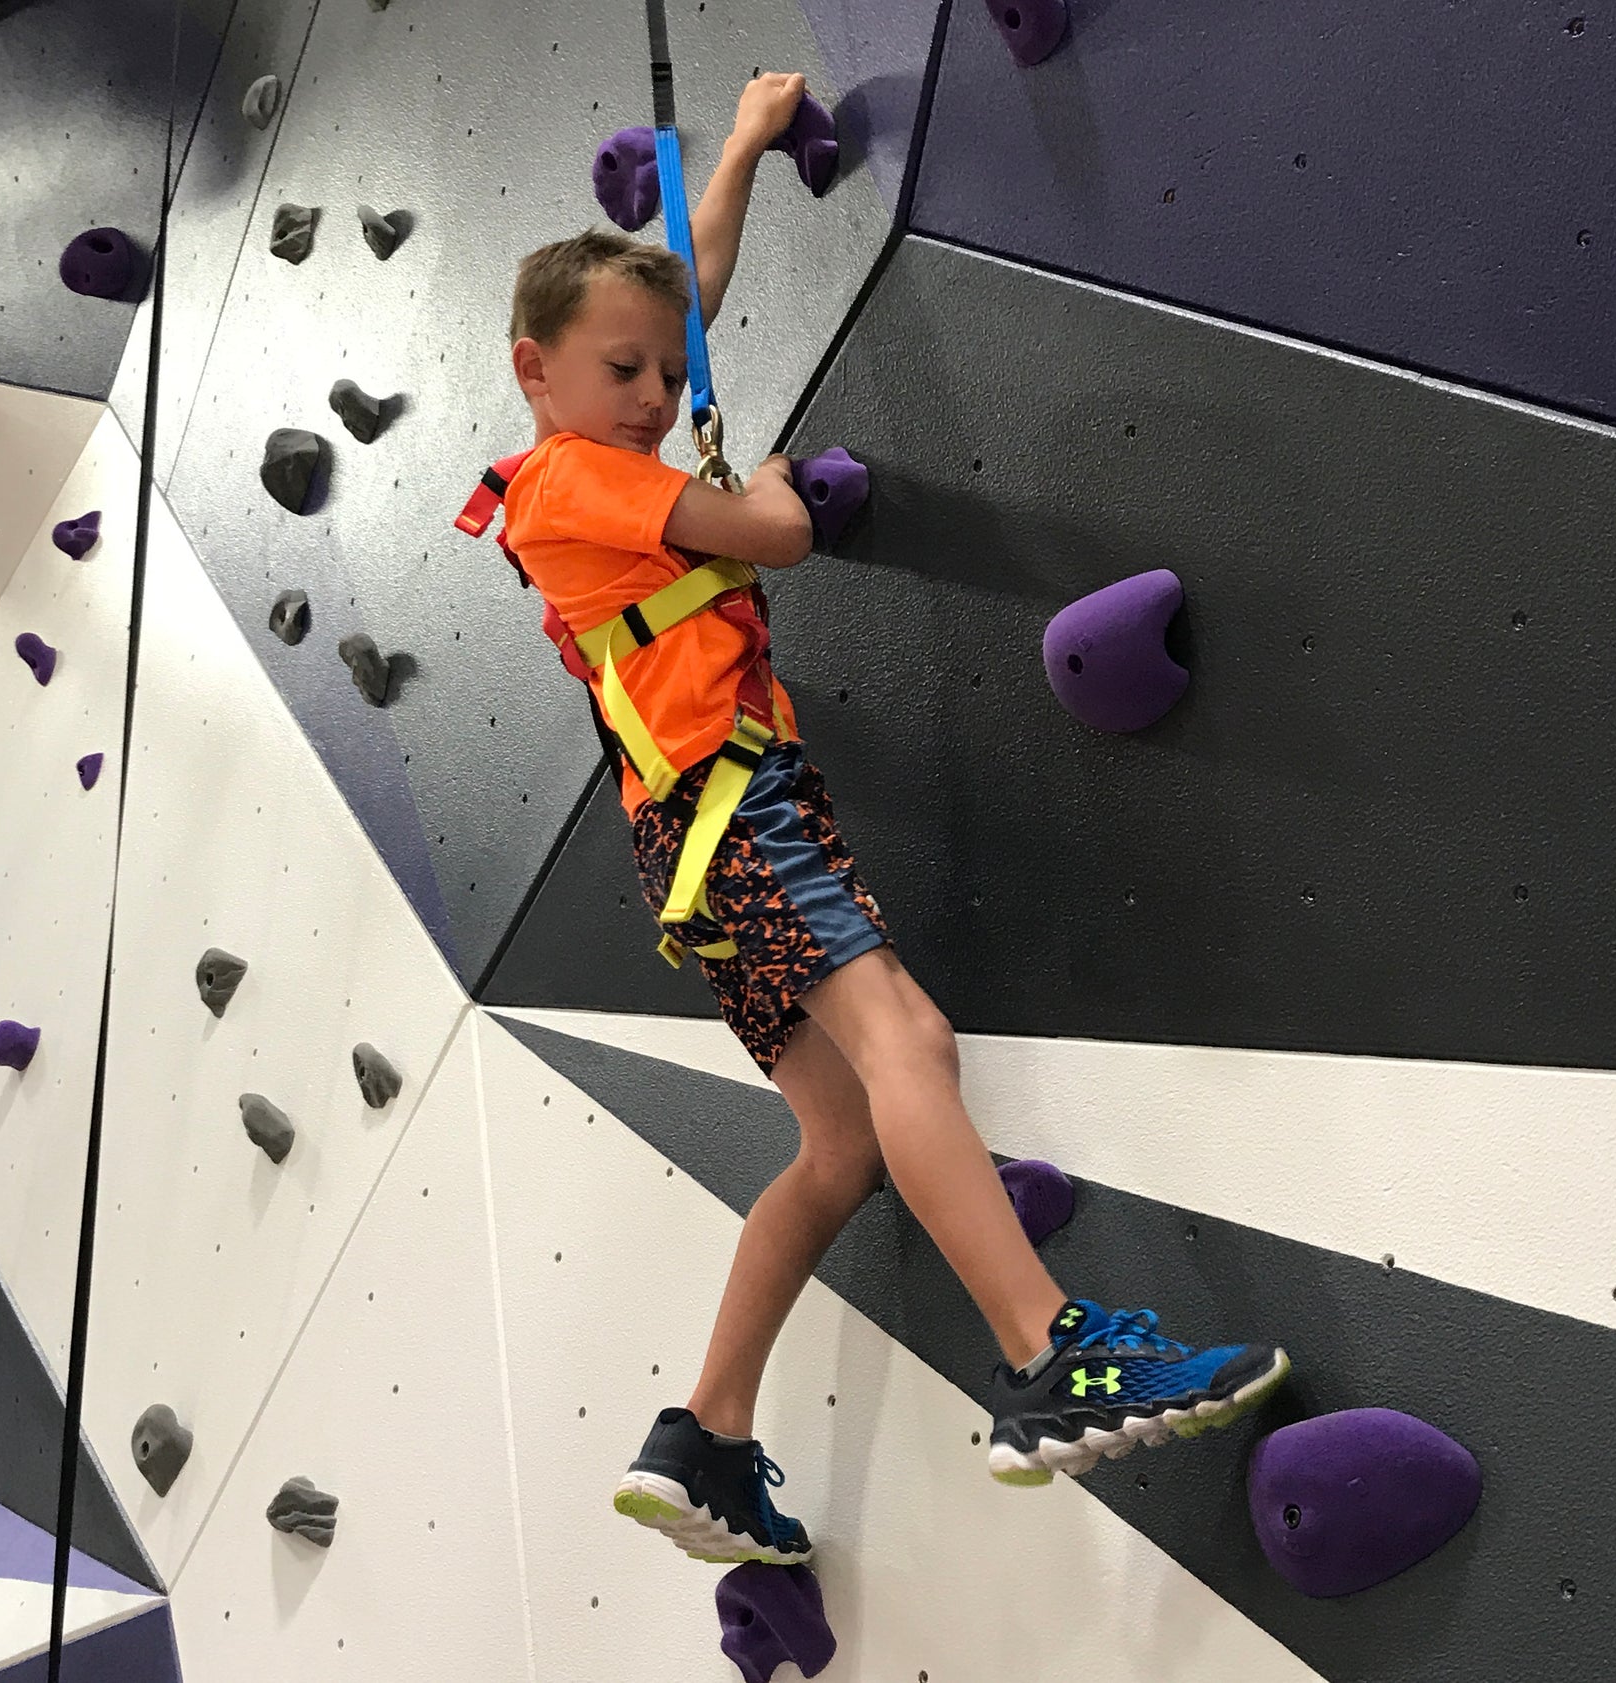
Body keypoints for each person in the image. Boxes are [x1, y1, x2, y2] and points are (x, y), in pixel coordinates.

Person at [490, 72, 1290, 1567]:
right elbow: (776, 532)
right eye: (625, 374)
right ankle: (1051, 1356)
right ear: (536, 373)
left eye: (665, 376)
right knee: (908, 1042)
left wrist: (730, 152)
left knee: (840, 1144)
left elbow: (693, 289)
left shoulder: (593, 458)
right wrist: (771, 486)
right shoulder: (578, 484)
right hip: (740, 808)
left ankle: (710, 1434)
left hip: (696, 837)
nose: (659, 397)